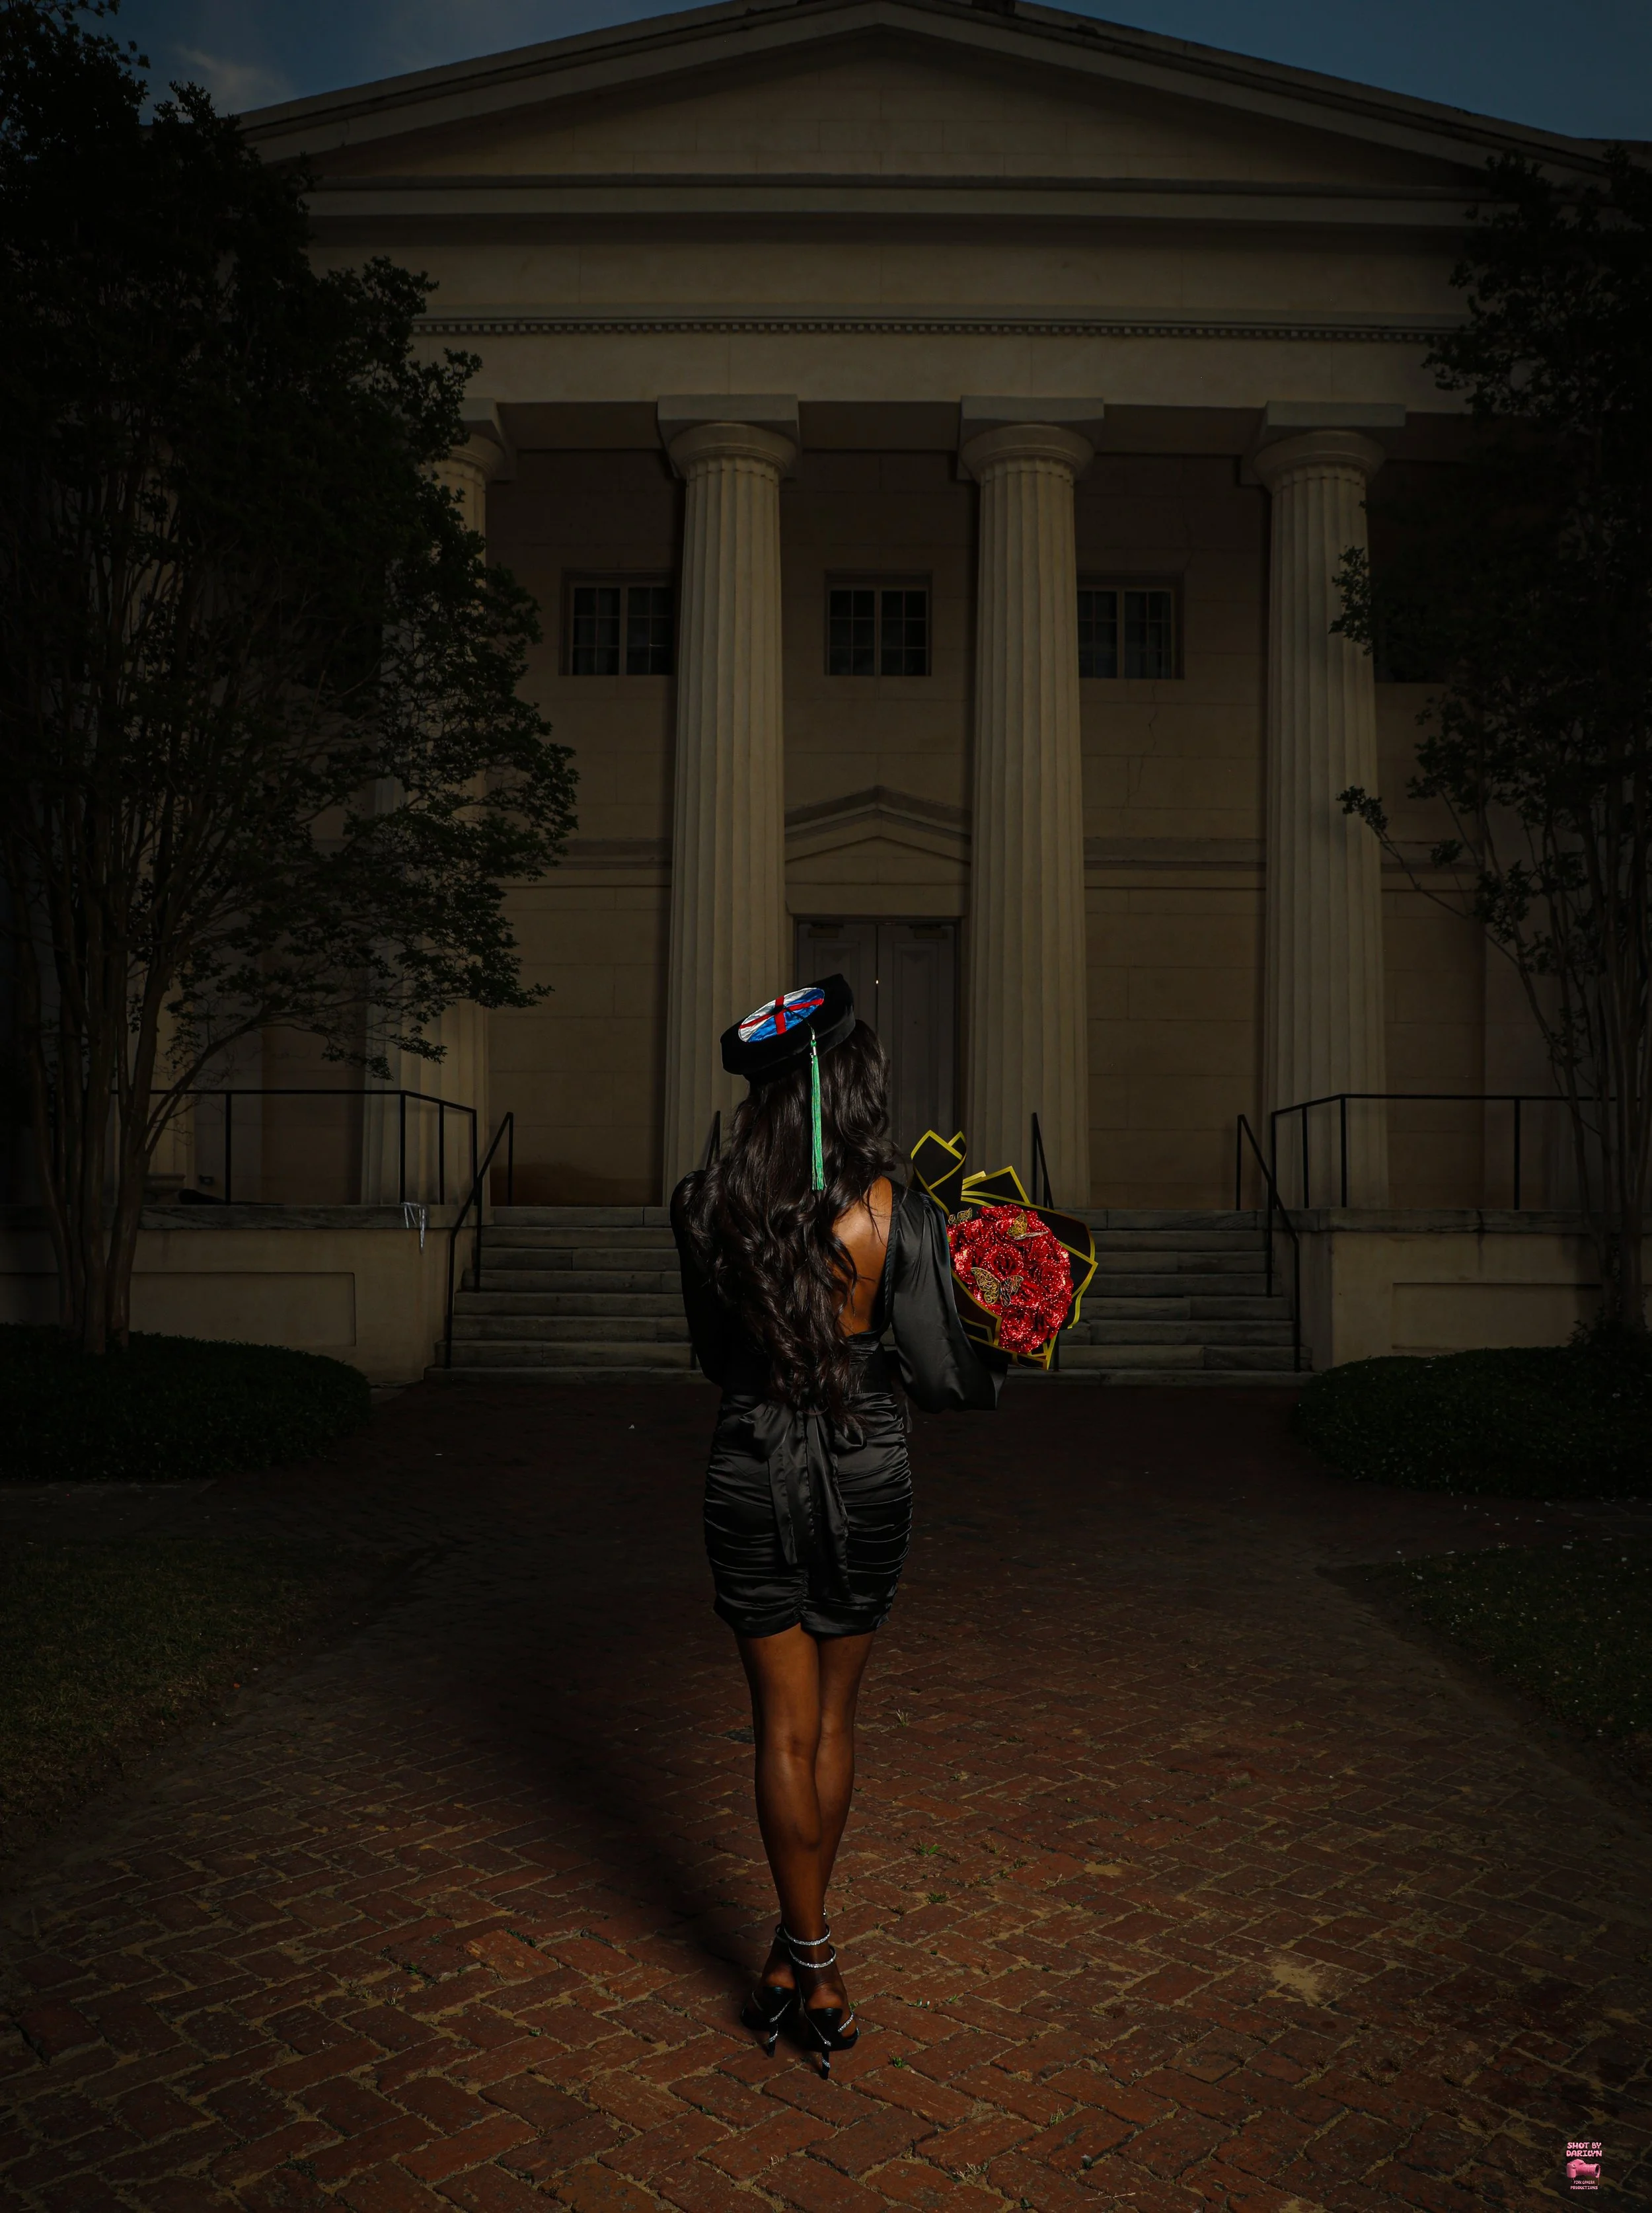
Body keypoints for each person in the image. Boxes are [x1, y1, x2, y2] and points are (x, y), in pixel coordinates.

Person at [671, 976, 1003, 2076]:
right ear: (850, 1085)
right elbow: (945, 1381)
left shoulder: (702, 1202)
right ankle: (814, 1956)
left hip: (747, 1460)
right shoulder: (902, 1213)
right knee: (835, 1723)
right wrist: (995, 1327)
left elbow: (717, 1357)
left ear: (763, 1098)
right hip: (866, 1466)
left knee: (779, 1727)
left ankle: (791, 1945)